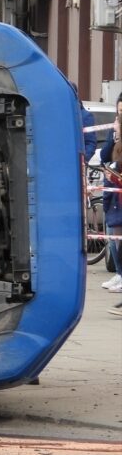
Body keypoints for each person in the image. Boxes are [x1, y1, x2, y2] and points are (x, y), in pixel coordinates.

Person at [99, 93, 122, 307]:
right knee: (115, 238)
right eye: (118, 112)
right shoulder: (114, 135)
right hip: (114, 194)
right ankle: (120, 274)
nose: (118, 119)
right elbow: (106, 156)